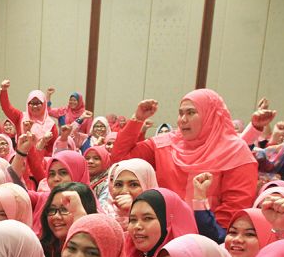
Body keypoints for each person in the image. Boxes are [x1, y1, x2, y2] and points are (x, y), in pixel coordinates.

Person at [111, 89, 262, 227]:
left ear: (211, 115)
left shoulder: (235, 152)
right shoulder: (165, 144)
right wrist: (137, 119)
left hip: (206, 237)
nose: (182, 119)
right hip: (159, 233)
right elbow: (120, 160)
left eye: (190, 113)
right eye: (180, 113)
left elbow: (232, 211)